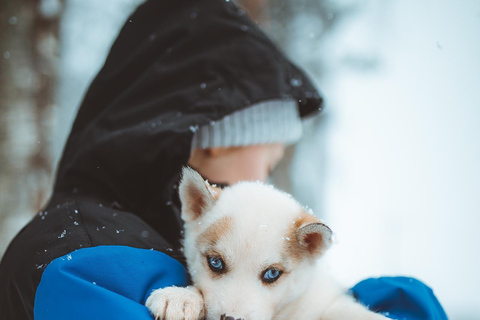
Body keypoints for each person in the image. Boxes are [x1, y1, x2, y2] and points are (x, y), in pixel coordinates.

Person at [0, 0, 447, 319]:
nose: (266, 182)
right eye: (268, 165)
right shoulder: (81, 250)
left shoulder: (149, 227)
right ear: (212, 142)